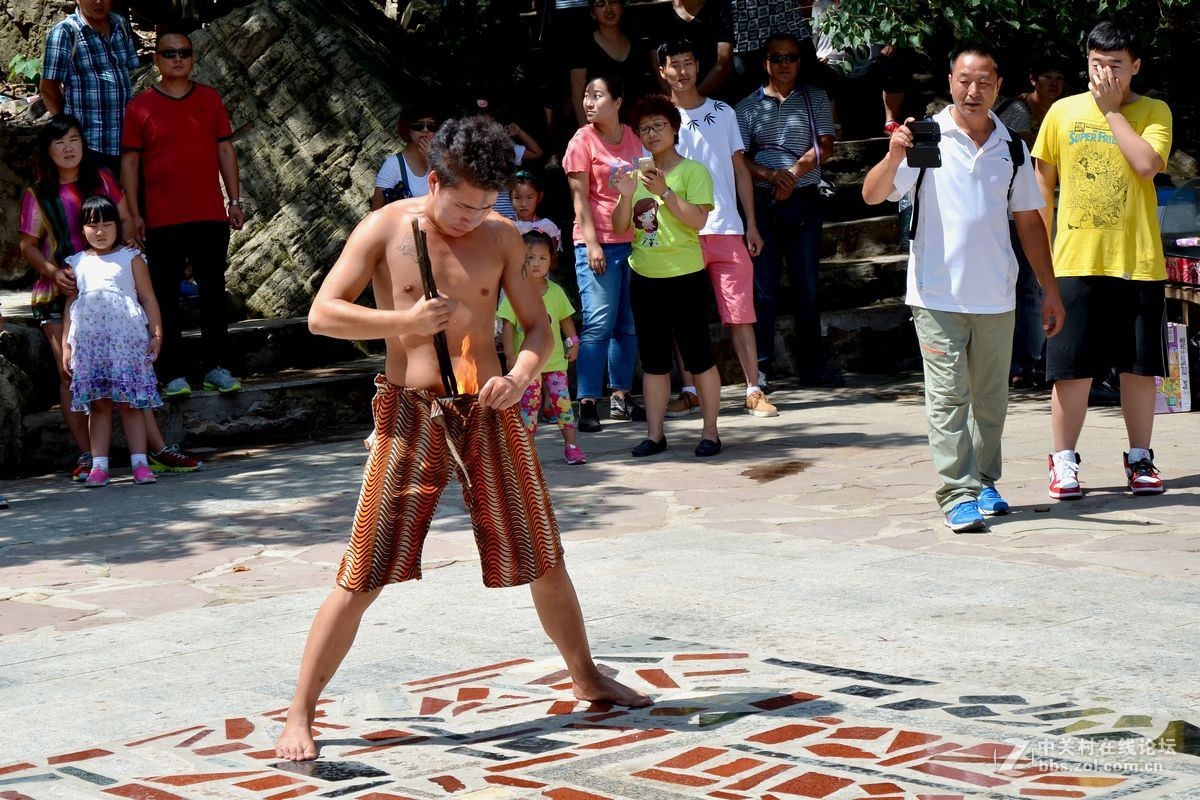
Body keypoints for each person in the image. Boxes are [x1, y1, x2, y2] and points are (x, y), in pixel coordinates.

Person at [274, 115, 651, 762]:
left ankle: (587, 676)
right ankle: (299, 714)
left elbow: (537, 329)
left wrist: (524, 373)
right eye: (461, 203)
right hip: (411, 412)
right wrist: (404, 320)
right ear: (434, 178)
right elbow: (321, 314)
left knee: (545, 556)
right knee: (363, 570)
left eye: (484, 206)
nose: (470, 218)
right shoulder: (385, 228)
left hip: (490, 408)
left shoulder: (502, 237)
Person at [862, 45, 1065, 533]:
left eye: (984, 82)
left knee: (991, 400)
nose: (973, 91)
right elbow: (871, 194)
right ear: (950, 81)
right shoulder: (926, 138)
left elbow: (1030, 224)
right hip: (936, 295)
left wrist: (1050, 289)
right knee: (949, 396)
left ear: (999, 85)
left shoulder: (1011, 147)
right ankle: (956, 491)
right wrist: (894, 155)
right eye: (964, 80)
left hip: (997, 293)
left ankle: (985, 481)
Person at [1032, 21, 1173, 499]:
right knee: (1070, 368)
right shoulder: (1061, 112)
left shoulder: (1154, 111)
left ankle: (1140, 458)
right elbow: (1041, 187)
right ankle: (1064, 461)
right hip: (1075, 260)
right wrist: (1044, 258)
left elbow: (1147, 166)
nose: (1105, 74)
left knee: (1139, 366)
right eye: (1097, 64)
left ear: (1135, 66)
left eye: (1115, 65)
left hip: (1138, 261)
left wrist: (1113, 113)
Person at [19, 115, 201, 479]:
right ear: (47, 151)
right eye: (59, 143)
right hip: (62, 291)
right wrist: (54, 272)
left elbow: (127, 220)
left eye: (74, 140)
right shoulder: (37, 194)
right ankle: (89, 457)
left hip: (114, 291)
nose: (68, 149)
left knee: (130, 372)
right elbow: (27, 246)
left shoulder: (101, 178)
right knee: (71, 374)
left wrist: (130, 246)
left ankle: (156, 449)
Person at [121, 30, 245, 398]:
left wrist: (234, 200)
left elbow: (225, 151)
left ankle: (216, 367)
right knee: (163, 296)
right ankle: (171, 372)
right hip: (161, 218)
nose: (177, 58)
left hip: (209, 214)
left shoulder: (209, 99)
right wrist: (132, 212)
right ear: (156, 59)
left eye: (184, 52)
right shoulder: (139, 107)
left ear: (192, 58)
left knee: (213, 292)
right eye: (169, 53)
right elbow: (129, 162)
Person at [658, 38, 775, 419]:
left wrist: (751, 224)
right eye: (673, 64)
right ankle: (690, 389)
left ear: (698, 66)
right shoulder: (656, 119)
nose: (682, 70)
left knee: (741, 312)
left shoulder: (722, 111)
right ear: (663, 72)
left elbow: (740, 168)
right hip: (678, 229)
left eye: (688, 62)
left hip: (725, 225)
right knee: (680, 316)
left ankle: (754, 389)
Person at [613, 94, 723, 457]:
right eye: (644, 128)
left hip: (686, 276)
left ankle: (710, 433)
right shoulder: (634, 176)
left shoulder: (693, 171)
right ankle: (655, 435)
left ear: (674, 128)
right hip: (644, 277)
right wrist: (625, 196)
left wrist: (666, 192)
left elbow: (698, 221)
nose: (652, 133)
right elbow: (618, 227)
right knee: (654, 361)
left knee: (699, 357)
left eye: (658, 125)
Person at [735, 32, 838, 389]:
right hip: (762, 202)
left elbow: (826, 146)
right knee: (763, 288)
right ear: (765, 61)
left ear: (800, 61)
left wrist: (792, 175)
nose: (784, 64)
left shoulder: (816, 98)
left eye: (791, 57)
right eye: (777, 57)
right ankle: (761, 368)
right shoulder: (746, 107)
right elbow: (739, 158)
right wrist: (770, 175)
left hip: (803, 197)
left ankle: (813, 366)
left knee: (807, 286)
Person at [563, 75, 646, 431]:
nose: (589, 103)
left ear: (618, 100)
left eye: (598, 95)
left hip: (635, 243)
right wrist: (593, 243)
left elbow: (645, 187)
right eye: (586, 96)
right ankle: (586, 403)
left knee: (627, 324)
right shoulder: (582, 140)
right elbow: (580, 199)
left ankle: (621, 397)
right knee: (597, 324)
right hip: (597, 244)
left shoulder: (632, 137)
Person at [61, 196, 164, 487]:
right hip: (91, 348)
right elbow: (71, 306)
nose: (101, 231)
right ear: (82, 229)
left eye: (107, 224)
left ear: (118, 227)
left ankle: (140, 463)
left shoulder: (131, 259)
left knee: (130, 405)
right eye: (93, 225)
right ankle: (99, 466)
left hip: (127, 345)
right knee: (100, 405)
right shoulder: (76, 263)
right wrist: (67, 346)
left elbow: (148, 298)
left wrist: (157, 334)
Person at [998, 55, 1070, 390]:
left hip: (1047, 205)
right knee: (1026, 286)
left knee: (1034, 285)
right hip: (1017, 210)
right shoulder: (1019, 112)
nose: (1053, 84)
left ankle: (1029, 359)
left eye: (1058, 77)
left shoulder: (1061, 111)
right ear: (1032, 79)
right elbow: (1027, 156)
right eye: (1046, 77)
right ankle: (1023, 363)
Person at [500, 230, 587, 465]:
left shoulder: (557, 292)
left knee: (563, 405)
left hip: (556, 362)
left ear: (551, 259)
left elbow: (566, 322)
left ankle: (571, 446)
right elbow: (507, 327)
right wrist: (510, 356)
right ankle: (526, 453)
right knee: (528, 409)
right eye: (529, 257)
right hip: (528, 367)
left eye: (542, 258)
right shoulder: (515, 294)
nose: (536, 263)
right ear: (519, 259)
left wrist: (574, 343)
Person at [39, 0, 140, 176]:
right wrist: (66, 130)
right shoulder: (65, 32)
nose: (98, 2)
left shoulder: (120, 24)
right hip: (89, 144)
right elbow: (48, 88)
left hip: (126, 141)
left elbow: (130, 70)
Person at [568, 0, 654, 127]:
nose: (608, 9)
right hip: (601, 126)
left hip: (636, 124)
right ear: (592, 13)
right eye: (600, 4)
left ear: (622, 8)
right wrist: (586, 131)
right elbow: (577, 95)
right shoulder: (583, 46)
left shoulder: (635, 40)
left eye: (613, 2)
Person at [648, 0, 735, 99]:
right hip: (675, 100)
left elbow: (724, 61)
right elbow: (657, 63)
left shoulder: (718, 8)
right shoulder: (660, 12)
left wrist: (695, 97)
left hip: (717, 96)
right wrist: (676, 98)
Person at [370, 102, 441, 210]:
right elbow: (376, 211)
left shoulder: (441, 162)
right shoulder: (393, 165)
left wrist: (432, 160)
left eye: (431, 126)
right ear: (407, 127)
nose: (425, 130)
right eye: (418, 125)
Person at [511, 170, 564, 249]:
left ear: (539, 197)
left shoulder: (547, 226)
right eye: (517, 197)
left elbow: (553, 257)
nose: (523, 204)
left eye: (529, 197)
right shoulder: (506, 225)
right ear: (510, 197)